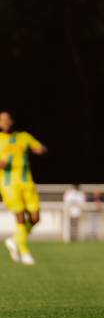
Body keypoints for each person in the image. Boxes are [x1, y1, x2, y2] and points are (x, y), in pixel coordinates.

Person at [0, 110, 47, 265]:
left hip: (27, 182)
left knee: (35, 218)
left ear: (12, 121)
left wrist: (39, 149)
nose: (5, 122)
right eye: (2, 120)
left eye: (7, 119)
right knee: (20, 217)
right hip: (8, 184)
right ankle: (25, 252)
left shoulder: (23, 137)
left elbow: (40, 147)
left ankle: (14, 240)